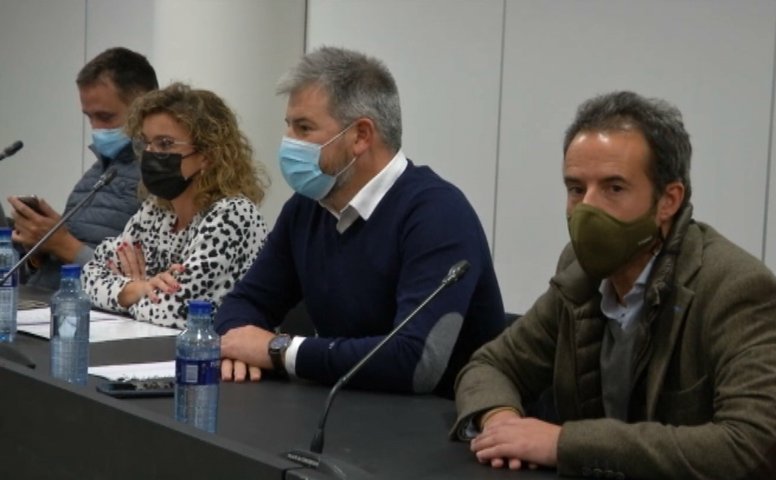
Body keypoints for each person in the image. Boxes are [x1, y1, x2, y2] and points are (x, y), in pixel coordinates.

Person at [452, 91, 776, 478]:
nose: (587, 208)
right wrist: (503, 423)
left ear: (668, 201)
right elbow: (491, 365)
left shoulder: (737, 287)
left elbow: (751, 444)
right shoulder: (581, 272)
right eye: (576, 189)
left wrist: (562, 443)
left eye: (614, 188)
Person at [214, 46, 504, 397]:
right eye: (288, 126)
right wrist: (238, 348)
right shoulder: (307, 207)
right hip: (340, 409)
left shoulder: (438, 214)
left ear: (361, 136)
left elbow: (415, 363)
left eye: (304, 128)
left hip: (436, 427)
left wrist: (278, 350)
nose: (289, 143)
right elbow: (244, 303)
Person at [82, 83, 268, 329]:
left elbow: (173, 310)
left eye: (165, 144)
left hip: (222, 360)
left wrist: (130, 291)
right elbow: (88, 277)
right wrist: (137, 288)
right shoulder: (156, 211)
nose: (151, 153)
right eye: (146, 143)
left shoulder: (233, 215)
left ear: (207, 155)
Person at [7, 47, 158, 290]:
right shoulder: (95, 175)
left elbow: (144, 282)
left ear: (145, 109)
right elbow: (56, 262)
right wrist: (36, 249)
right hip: (42, 303)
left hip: (92, 316)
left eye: (106, 117)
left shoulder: (159, 178)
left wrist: (62, 244)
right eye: (90, 117)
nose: (96, 128)